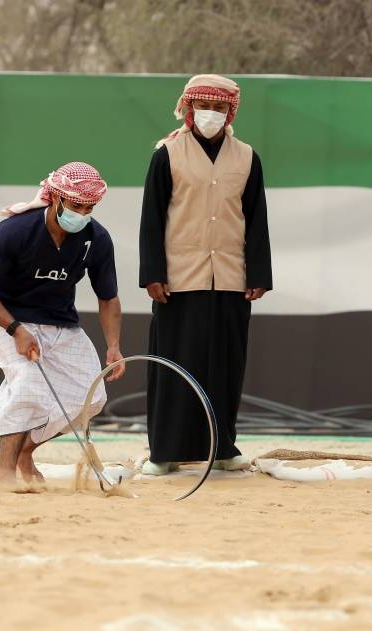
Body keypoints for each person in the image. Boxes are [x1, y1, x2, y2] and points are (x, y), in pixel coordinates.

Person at [138, 74, 273, 475]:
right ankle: (165, 452)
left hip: (231, 277)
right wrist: (153, 274)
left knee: (226, 364)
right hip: (180, 279)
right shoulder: (167, 153)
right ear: (188, 109)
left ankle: (223, 445)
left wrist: (258, 273)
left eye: (218, 108)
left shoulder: (247, 157)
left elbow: (256, 219)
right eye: (203, 107)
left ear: (230, 112)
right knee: (176, 363)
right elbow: (152, 218)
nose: (210, 115)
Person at [0, 162, 125, 486]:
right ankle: (5, 473)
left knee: (93, 396)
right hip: (11, 321)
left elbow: (108, 298)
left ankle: (27, 451)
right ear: (55, 199)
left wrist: (113, 346)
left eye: (89, 207)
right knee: (26, 386)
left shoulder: (97, 239)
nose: (82, 213)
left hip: (61, 323)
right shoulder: (14, 231)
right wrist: (16, 330)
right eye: (76, 205)